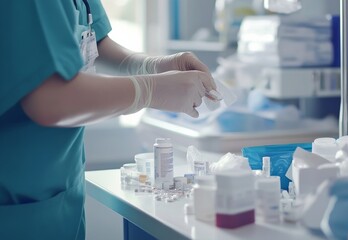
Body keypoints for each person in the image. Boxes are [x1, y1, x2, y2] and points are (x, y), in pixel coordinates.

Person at [0, 0, 217, 239]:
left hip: (57, 196)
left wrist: (153, 66)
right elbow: (49, 98)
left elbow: (94, 42)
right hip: (14, 203)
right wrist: (150, 90)